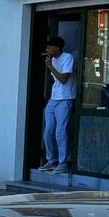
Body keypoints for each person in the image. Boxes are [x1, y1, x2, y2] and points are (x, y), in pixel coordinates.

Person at [41, 35, 75, 172]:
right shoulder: (53, 60)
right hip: (53, 98)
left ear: (57, 48)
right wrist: (51, 64)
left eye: (49, 47)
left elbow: (63, 79)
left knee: (60, 132)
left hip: (65, 98)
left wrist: (50, 66)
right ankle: (51, 160)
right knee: (48, 131)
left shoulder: (67, 58)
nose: (47, 50)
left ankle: (63, 163)